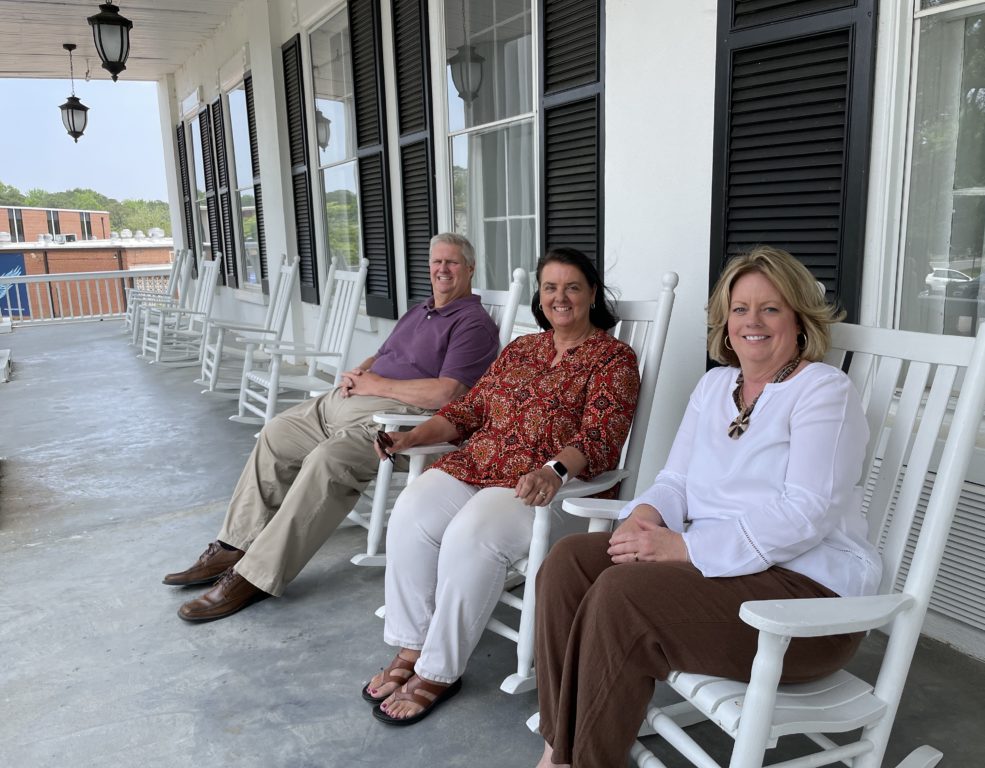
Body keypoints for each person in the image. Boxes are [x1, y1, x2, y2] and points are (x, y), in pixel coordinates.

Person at [532, 245, 882, 768]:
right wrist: (647, 516)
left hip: (804, 600)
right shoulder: (716, 385)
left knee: (621, 597)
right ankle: (563, 746)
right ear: (725, 319)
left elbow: (807, 512)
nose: (752, 322)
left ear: (798, 319)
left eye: (771, 308)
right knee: (568, 563)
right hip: (722, 574)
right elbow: (675, 479)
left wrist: (682, 547)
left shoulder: (823, 391)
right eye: (740, 309)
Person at [361, 247, 641, 726]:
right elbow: (468, 412)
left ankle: (439, 669)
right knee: (411, 509)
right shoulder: (522, 349)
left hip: (546, 489)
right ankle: (412, 644)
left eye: (572, 287)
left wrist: (552, 471)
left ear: (592, 294)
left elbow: (600, 439)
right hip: (480, 465)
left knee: (471, 534)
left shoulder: (613, 358)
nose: (560, 297)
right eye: (550, 287)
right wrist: (411, 437)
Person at [163, 233, 500, 622]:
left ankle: (255, 574)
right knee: (276, 434)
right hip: (345, 403)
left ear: (470, 269)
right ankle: (232, 544)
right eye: (436, 262)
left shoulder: (472, 324)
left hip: (397, 422)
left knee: (327, 461)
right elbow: (388, 352)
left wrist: (375, 385)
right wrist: (363, 369)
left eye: (452, 262)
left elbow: (448, 392)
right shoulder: (419, 310)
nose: (442, 269)